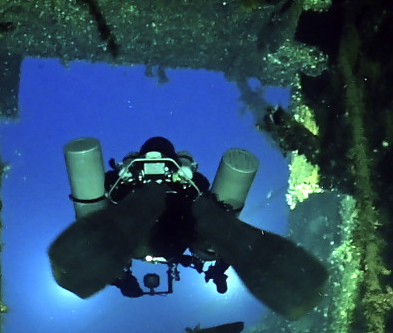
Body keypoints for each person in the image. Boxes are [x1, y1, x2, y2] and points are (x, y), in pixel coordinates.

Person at [46, 136, 328, 319]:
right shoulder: (191, 185)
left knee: (148, 213)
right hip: (180, 229)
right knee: (209, 223)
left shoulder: (119, 184)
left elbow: (102, 224)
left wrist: (120, 280)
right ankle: (295, 286)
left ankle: (155, 205)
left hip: (140, 228)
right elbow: (214, 223)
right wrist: (218, 264)